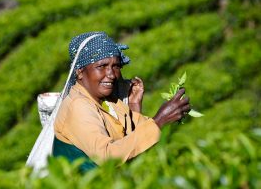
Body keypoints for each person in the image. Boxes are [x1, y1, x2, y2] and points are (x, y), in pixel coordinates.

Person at [53, 31, 190, 172]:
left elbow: (131, 145)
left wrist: (134, 106)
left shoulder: (109, 101)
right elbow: (108, 157)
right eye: (102, 66)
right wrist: (160, 121)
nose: (111, 74)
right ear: (80, 72)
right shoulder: (78, 106)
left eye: (116, 66)